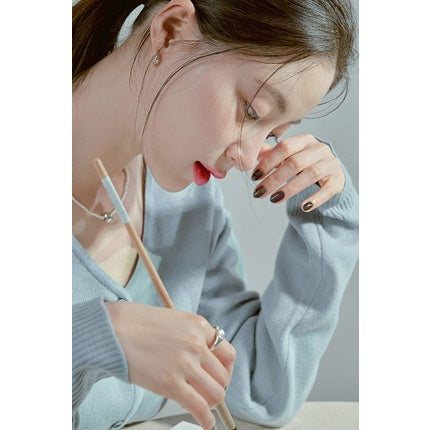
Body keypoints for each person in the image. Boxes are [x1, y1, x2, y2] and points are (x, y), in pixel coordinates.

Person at [72, 0, 358, 429]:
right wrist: (92, 336)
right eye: (253, 111)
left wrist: (328, 213)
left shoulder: (187, 207)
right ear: (170, 31)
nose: (247, 157)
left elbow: (259, 387)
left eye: (274, 133)